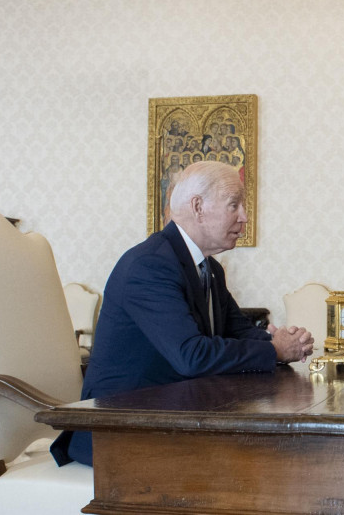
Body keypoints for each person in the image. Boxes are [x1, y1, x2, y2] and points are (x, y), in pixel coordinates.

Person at [51, 161, 314, 467]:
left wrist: (283, 342)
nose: (244, 217)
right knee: (255, 462)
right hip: (117, 429)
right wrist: (274, 350)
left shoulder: (210, 269)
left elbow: (238, 330)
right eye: (234, 205)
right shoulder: (149, 265)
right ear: (198, 207)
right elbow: (191, 355)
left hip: (169, 415)